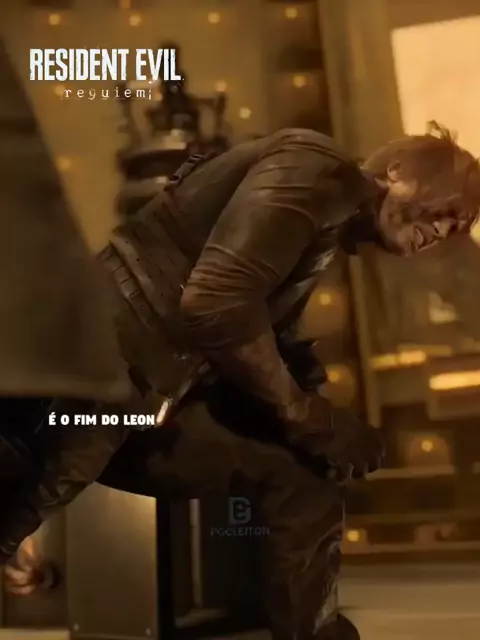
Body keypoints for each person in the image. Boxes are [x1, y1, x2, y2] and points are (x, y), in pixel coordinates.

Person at [1, 41, 480, 636]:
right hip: (101, 377)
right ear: (398, 171)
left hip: (151, 397)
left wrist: (309, 405)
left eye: (457, 226)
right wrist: (306, 415)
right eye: (446, 208)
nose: (444, 228)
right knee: (28, 489)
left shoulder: (324, 224)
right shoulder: (316, 167)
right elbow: (215, 305)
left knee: (301, 478)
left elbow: (249, 322)